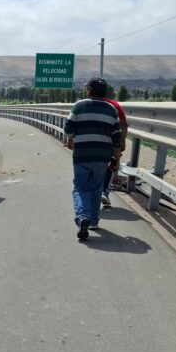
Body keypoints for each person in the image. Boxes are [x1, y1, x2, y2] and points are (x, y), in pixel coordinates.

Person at [64, 77, 122, 240]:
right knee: (96, 188)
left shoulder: (79, 106)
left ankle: (82, 217)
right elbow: (116, 137)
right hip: (102, 155)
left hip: (82, 154)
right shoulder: (112, 109)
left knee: (80, 187)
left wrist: (70, 138)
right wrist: (116, 158)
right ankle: (94, 221)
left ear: (89, 90)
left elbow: (68, 128)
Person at [100, 96, 128, 207]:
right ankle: (104, 192)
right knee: (111, 164)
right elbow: (124, 125)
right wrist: (123, 141)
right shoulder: (114, 105)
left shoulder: (85, 103)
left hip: (89, 141)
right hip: (109, 142)